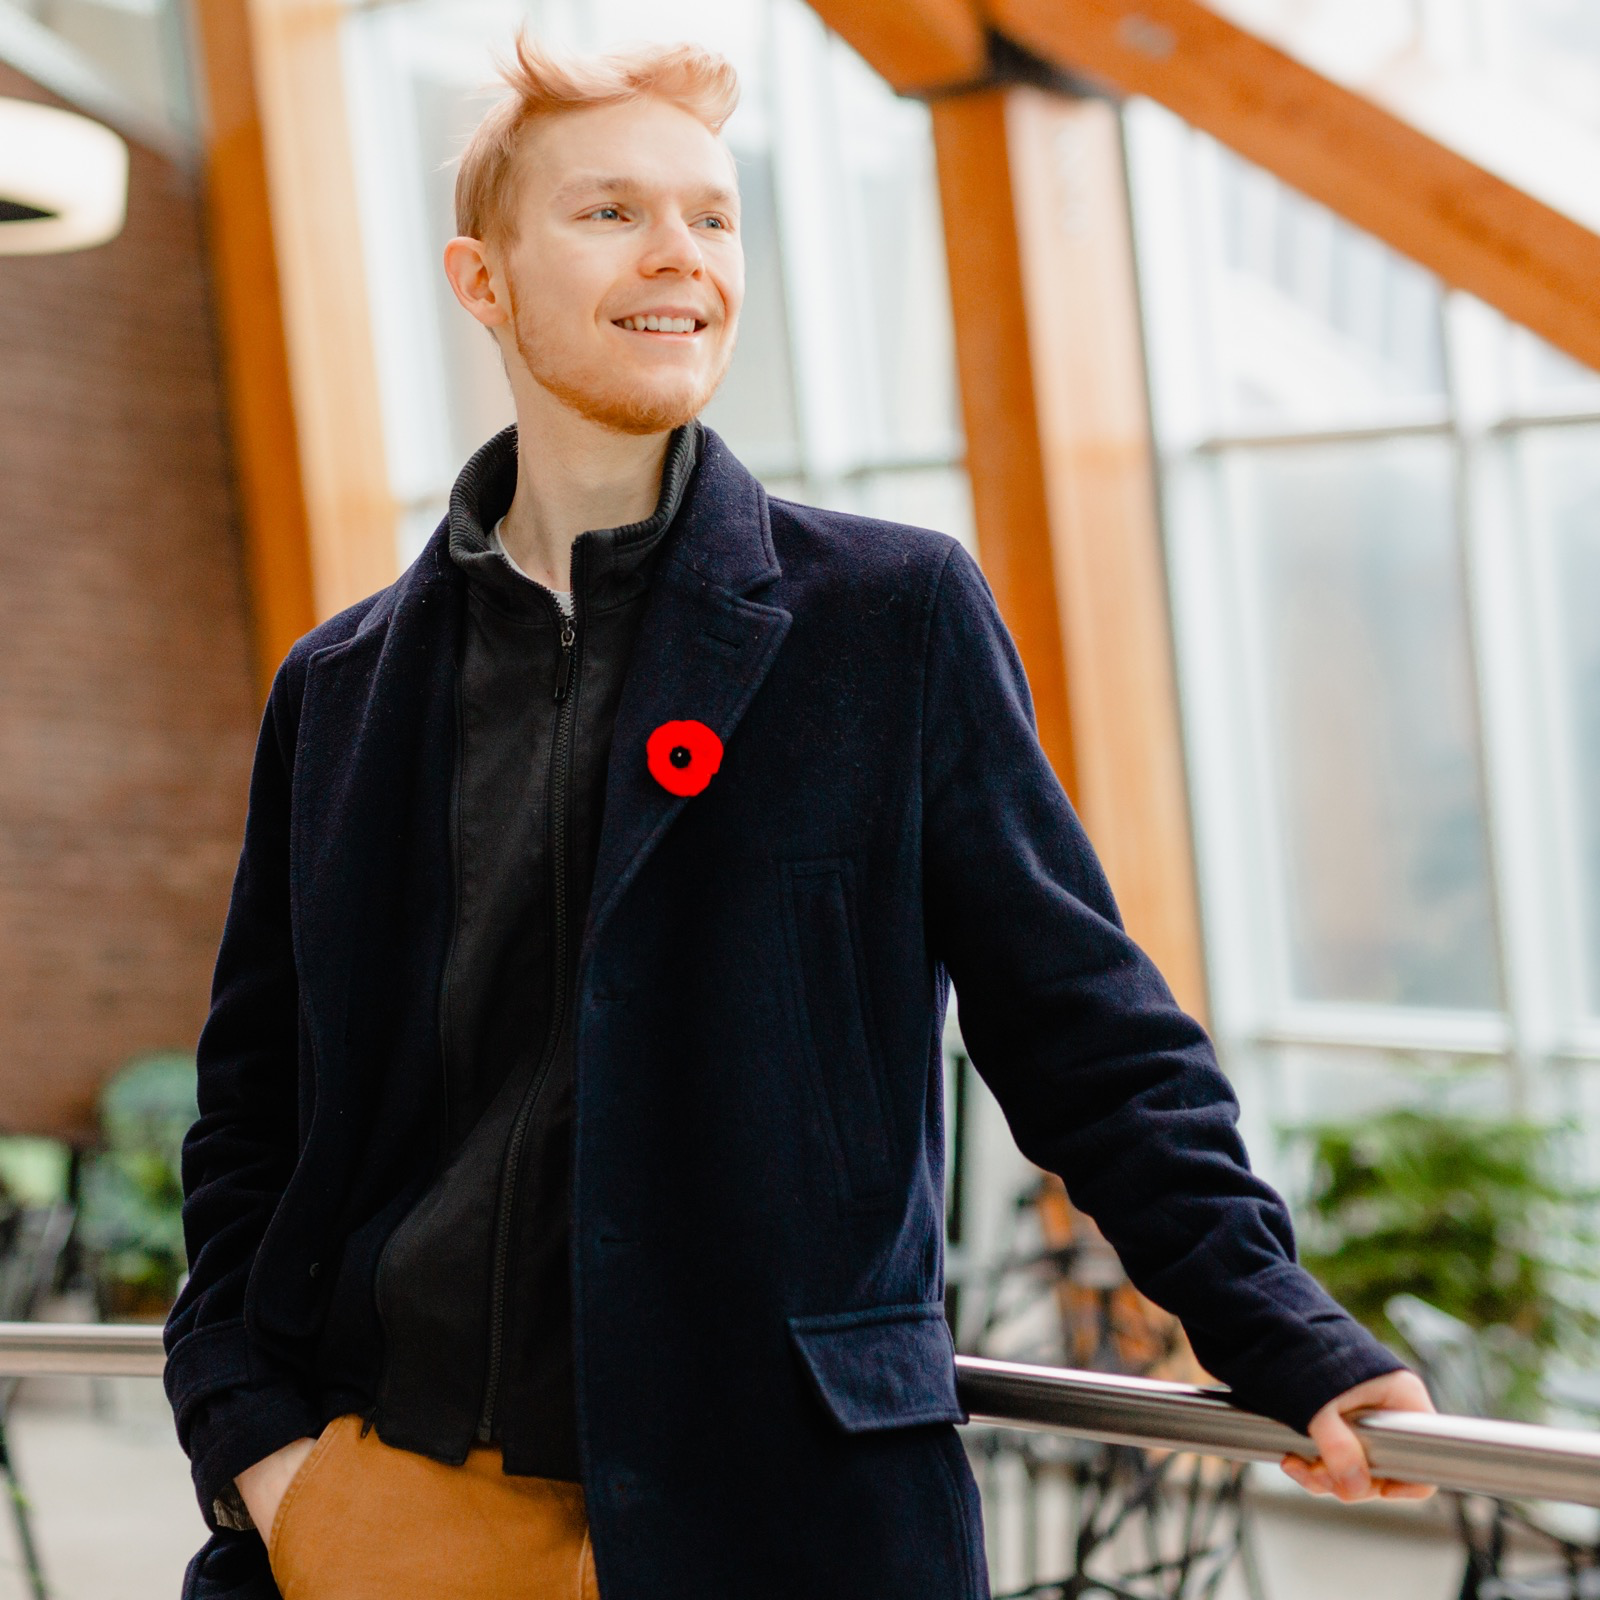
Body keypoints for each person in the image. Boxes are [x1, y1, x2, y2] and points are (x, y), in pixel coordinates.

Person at [164, 32, 1435, 1600]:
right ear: (481, 280)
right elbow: (252, 1118)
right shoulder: (342, 687)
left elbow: (1086, 1030)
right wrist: (262, 1454)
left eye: (713, 214)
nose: (680, 256)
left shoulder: (890, 621)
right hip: (397, 1506)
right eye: (611, 212)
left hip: (785, 1517)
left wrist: (1283, 1330)